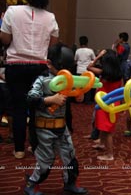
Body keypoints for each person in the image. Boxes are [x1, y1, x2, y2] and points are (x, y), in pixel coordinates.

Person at [24, 43, 88, 195]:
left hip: (62, 128)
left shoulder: (68, 78)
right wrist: (49, 99)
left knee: (70, 158)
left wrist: (79, 95)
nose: (64, 72)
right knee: (45, 161)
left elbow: (73, 94)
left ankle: (70, 182)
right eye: (60, 68)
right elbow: (30, 99)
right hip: (43, 129)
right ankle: (32, 183)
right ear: (49, 63)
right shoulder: (42, 79)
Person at [0, 0, 59, 159]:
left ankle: (19, 150)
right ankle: (35, 146)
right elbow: (53, 43)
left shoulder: (12, 11)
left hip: (16, 65)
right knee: (36, 108)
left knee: (18, 108)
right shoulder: (50, 17)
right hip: (39, 67)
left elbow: (4, 38)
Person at [87, 49, 123, 161]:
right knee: (104, 127)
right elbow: (120, 89)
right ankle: (102, 144)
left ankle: (109, 155)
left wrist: (97, 57)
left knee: (107, 131)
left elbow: (89, 67)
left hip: (104, 102)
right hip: (113, 102)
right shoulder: (119, 73)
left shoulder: (103, 73)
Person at [74, 35, 96, 103]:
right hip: (87, 71)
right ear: (87, 42)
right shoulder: (90, 51)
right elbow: (94, 60)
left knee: (79, 86)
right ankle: (87, 100)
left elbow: (75, 60)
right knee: (88, 86)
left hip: (79, 70)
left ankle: (78, 100)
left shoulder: (77, 51)